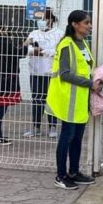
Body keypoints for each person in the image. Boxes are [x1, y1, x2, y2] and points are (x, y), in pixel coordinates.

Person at [47, 10, 101, 190]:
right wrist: (89, 83)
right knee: (67, 137)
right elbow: (65, 74)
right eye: (86, 23)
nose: (89, 26)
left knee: (77, 138)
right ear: (75, 24)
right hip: (68, 99)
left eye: (89, 23)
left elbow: (85, 69)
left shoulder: (83, 44)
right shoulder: (66, 44)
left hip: (80, 100)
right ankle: (60, 175)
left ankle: (74, 172)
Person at [0, 17, 24, 145]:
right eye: (4, 28)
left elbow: (14, 52)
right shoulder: (3, 42)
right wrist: (28, 46)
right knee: (0, 108)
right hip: (4, 81)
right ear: (0, 30)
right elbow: (16, 53)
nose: (6, 30)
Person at [23, 9, 62, 138]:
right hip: (35, 72)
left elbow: (60, 52)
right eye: (39, 19)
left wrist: (42, 51)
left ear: (51, 19)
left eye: (44, 19)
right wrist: (33, 49)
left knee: (51, 100)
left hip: (51, 72)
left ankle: (53, 127)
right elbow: (25, 48)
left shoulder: (59, 33)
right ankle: (36, 127)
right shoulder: (34, 33)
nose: (42, 22)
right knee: (37, 100)